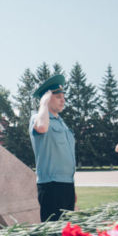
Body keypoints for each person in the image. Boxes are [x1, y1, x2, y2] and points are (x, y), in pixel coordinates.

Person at [29, 75, 76, 222]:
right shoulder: (37, 118)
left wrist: (72, 185)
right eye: (58, 97)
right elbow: (42, 127)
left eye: (64, 96)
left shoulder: (62, 123)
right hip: (51, 186)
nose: (63, 100)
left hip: (67, 185)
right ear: (47, 99)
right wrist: (43, 104)